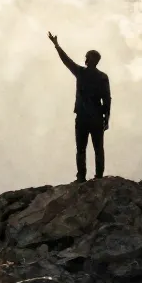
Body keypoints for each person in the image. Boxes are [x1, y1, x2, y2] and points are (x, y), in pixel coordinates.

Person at [48, 31, 111, 181]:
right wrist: (106, 118)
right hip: (96, 117)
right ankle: (98, 176)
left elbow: (66, 60)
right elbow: (107, 99)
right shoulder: (102, 77)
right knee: (98, 149)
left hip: (83, 117)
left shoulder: (82, 72)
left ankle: (81, 177)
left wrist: (57, 45)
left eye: (87, 57)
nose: (85, 59)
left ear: (89, 60)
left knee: (82, 149)